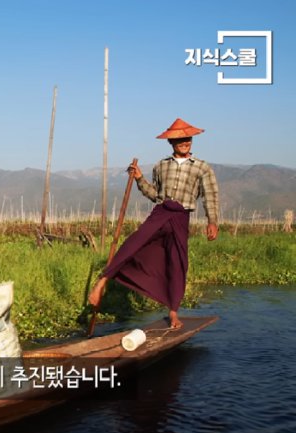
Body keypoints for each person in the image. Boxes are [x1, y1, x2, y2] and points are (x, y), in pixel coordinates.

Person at [88, 118, 219, 329]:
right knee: (133, 244)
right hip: (161, 212)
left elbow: (210, 195)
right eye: (180, 140)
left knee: (177, 263)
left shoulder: (202, 167)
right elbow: (155, 195)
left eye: (188, 139)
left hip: (181, 217)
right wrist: (139, 179)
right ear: (171, 143)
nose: (185, 142)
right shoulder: (161, 166)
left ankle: (173, 312)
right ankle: (102, 281)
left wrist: (212, 221)